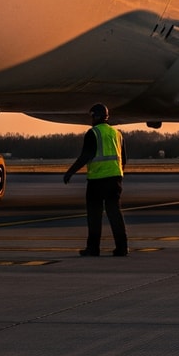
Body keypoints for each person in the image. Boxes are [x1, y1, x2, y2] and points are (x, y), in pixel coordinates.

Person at [62, 103, 127, 257]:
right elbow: (123, 158)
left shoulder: (93, 133)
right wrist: (118, 173)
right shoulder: (117, 133)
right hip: (115, 180)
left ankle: (93, 248)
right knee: (115, 214)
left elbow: (86, 156)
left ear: (96, 116)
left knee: (94, 216)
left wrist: (70, 172)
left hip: (97, 180)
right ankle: (122, 248)